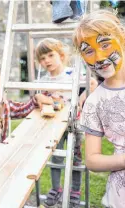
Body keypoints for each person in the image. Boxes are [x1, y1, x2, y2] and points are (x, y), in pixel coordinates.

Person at [35, 38, 98, 208]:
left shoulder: (72, 74)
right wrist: (43, 97)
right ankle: (57, 189)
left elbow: (93, 83)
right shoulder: (44, 80)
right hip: (54, 125)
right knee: (54, 157)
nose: (46, 60)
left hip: (74, 125)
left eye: (50, 55)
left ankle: (75, 192)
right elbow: (37, 96)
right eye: (42, 58)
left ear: (61, 55)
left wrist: (79, 100)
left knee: (75, 159)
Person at [73, 10, 125, 208]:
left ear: (122, 38)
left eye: (105, 44)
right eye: (88, 51)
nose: (99, 57)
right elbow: (92, 160)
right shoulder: (94, 102)